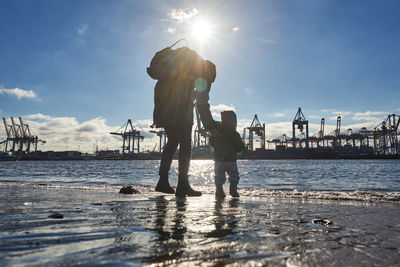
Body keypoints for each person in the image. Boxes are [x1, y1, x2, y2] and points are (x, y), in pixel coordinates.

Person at [148, 44, 216, 197]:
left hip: (163, 107)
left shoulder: (181, 63)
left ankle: (163, 181)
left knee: (172, 142)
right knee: (185, 143)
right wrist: (209, 124)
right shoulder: (202, 73)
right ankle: (183, 185)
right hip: (181, 109)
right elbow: (202, 101)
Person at [210, 111, 245, 198]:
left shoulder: (216, 132)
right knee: (234, 175)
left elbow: (211, 142)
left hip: (218, 159)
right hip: (231, 159)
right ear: (233, 121)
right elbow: (240, 147)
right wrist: (240, 150)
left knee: (218, 175)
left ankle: (219, 191)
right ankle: (233, 190)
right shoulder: (234, 134)